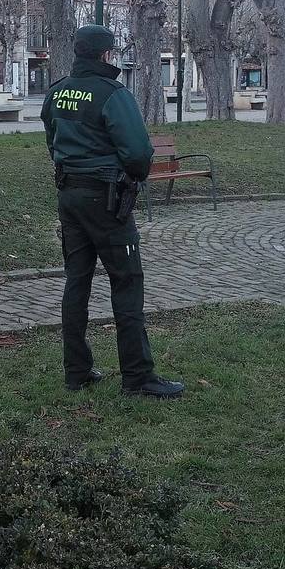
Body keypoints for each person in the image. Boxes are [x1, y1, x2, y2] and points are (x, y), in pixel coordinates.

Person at [41, 25, 185, 399]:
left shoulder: (57, 91)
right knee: (127, 282)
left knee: (77, 282)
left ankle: (77, 370)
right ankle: (137, 378)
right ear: (105, 55)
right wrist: (132, 179)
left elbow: (51, 137)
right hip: (106, 200)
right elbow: (138, 152)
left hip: (69, 195)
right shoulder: (113, 93)